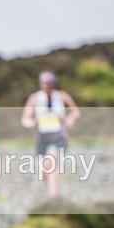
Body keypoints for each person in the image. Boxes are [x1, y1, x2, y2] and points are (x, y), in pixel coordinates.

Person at [20, 71, 80, 199]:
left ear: (53, 84)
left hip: (58, 136)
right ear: (41, 84)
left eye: (49, 84)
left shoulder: (62, 96)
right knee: (43, 171)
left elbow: (75, 111)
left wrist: (70, 119)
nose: (47, 86)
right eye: (44, 84)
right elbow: (25, 118)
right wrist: (31, 123)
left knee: (51, 163)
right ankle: (52, 194)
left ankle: (54, 196)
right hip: (42, 137)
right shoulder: (34, 98)